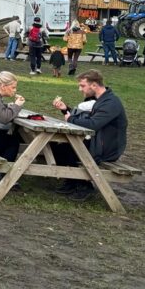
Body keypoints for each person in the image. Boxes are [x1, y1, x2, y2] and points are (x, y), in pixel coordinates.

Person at [51, 70, 128, 200]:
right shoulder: (100, 100)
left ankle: (84, 185)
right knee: (56, 146)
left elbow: (92, 124)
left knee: (68, 148)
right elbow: (86, 119)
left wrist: (70, 119)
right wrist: (65, 109)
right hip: (97, 142)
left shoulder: (110, 103)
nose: (79, 89)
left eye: (82, 85)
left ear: (94, 85)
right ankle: (73, 181)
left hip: (107, 148)